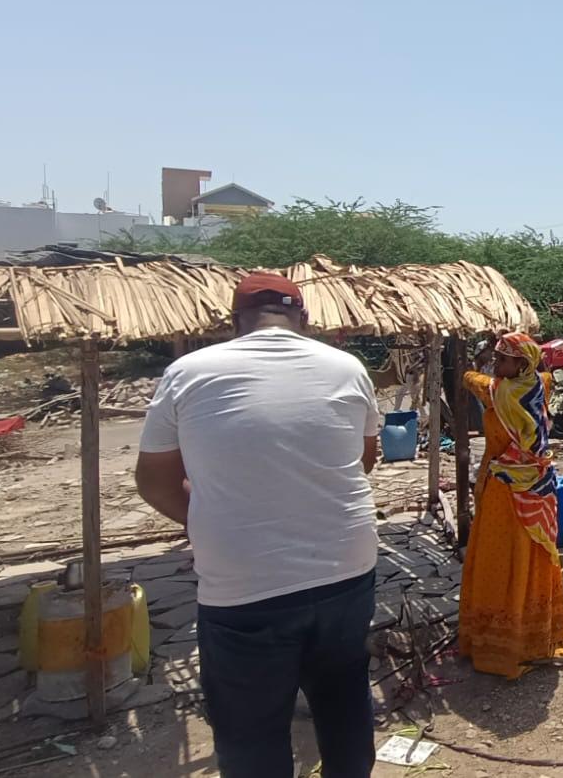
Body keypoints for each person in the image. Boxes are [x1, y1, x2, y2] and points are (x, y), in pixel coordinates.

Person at [135, 273, 380, 778]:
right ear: (303, 319)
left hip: (245, 584)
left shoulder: (188, 372)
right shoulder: (347, 367)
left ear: (234, 321)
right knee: (344, 701)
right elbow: (363, 459)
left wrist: (219, 521)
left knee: (250, 731)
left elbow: (155, 482)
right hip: (347, 565)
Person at [461, 332, 563, 678]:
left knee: (502, 557)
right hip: (537, 485)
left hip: (505, 489)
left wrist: (472, 362)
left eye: (503, 359)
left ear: (521, 364)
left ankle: (505, 642)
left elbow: (470, 379)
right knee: (531, 556)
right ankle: (533, 634)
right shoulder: (541, 385)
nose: (496, 364)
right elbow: (546, 373)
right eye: (496, 358)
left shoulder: (497, 392)